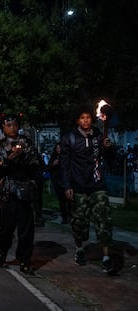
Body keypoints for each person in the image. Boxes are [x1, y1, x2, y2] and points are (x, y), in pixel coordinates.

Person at [60, 105, 115, 275]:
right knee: (79, 222)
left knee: (103, 218)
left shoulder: (99, 136)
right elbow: (64, 164)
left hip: (97, 185)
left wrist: (108, 148)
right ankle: (79, 250)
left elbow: (109, 160)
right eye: (82, 118)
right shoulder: (69, 138)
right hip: (78, 186)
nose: (86, 120)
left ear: (92, 119)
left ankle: (106, 258)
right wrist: (67, 185)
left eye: (88, 118)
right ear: (78, 120)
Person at [0, 114, 41, 275]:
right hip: (7, 191)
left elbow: (36, 164)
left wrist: (22, 158)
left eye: (15, 125)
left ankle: (25, 260)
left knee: (26, 230)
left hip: (24, 191)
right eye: (8, 125)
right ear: (3, 127)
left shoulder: (26, 143)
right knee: (6, 229)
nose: (12, 128)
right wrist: (8, 160)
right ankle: (3, 250)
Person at [49, 142, 71, 224]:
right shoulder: (54, 157)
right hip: (58, 182)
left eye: (60, 148)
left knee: (69, 200)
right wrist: (53, 164)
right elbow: (49, 168)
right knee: (62, 201)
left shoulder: (67, 157)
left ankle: (70, 216)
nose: (58, 150)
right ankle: (64, 218)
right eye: (57, 148)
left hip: (67, 181)